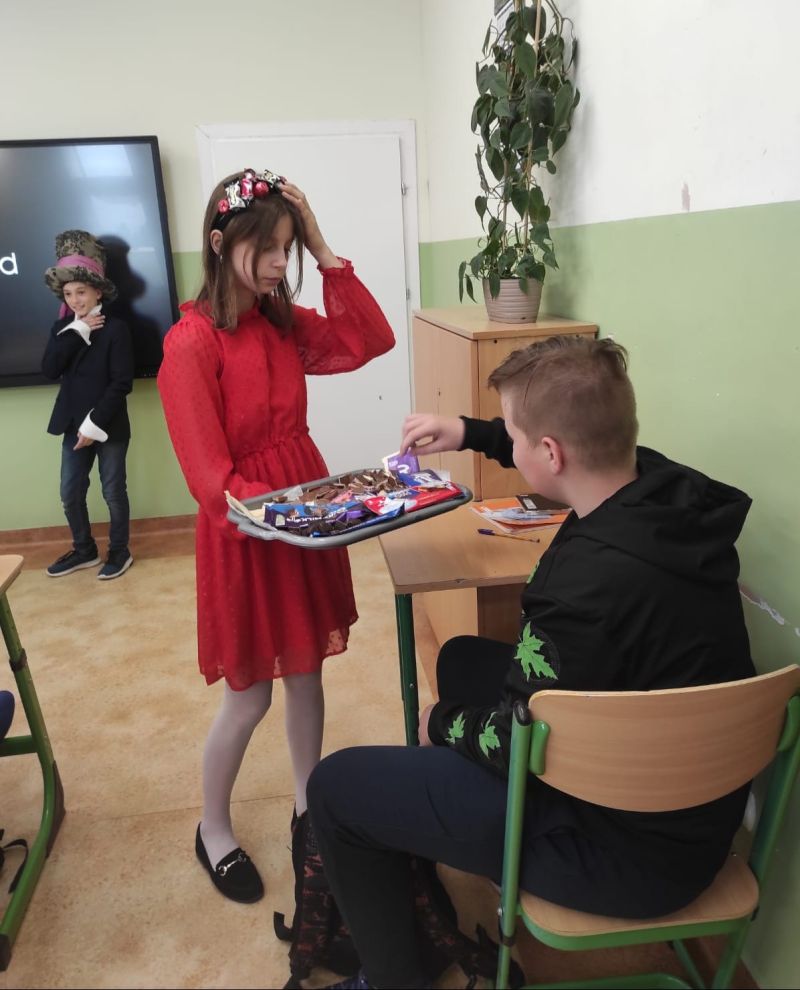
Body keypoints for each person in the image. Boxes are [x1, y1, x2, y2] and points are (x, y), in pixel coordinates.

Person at [306, 335, 756, 990]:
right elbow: (556, 440)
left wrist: (444, 724)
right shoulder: (668, 490)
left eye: (513, 436)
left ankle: (391, 979)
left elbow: (513, 740)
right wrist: (469, 432)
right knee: (461, 658)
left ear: (550, 453)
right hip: (693, 815)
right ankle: (436, 824)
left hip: (623, 854)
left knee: (337, 788)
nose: (509, 446)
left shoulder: (582, 589)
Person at [157, 167, 395, 904]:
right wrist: (299, 519)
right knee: (249, 698)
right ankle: (212, 828)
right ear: (218, 242)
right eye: (265, 248)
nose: (276, 263)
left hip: (299, 517)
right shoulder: (190, 344)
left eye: (285, 247)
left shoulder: (281, 321)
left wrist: (322, 247)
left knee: (307, 674)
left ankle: (307, 809)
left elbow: (369, 339)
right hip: (249, 531)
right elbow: (212, 481)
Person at [42, 230, 135, 580]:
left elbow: (121, 383)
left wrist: (93, 425)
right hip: (71, 426)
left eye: (81, 292)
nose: (75, 300)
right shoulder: (62, 328)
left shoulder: (116, 329)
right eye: (69, 294)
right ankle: (84, 550)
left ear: (98, 291)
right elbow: (50, 369)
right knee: (70, 492)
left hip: (108, 426)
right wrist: (77, 330)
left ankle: (120, 550)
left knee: (113, 491)